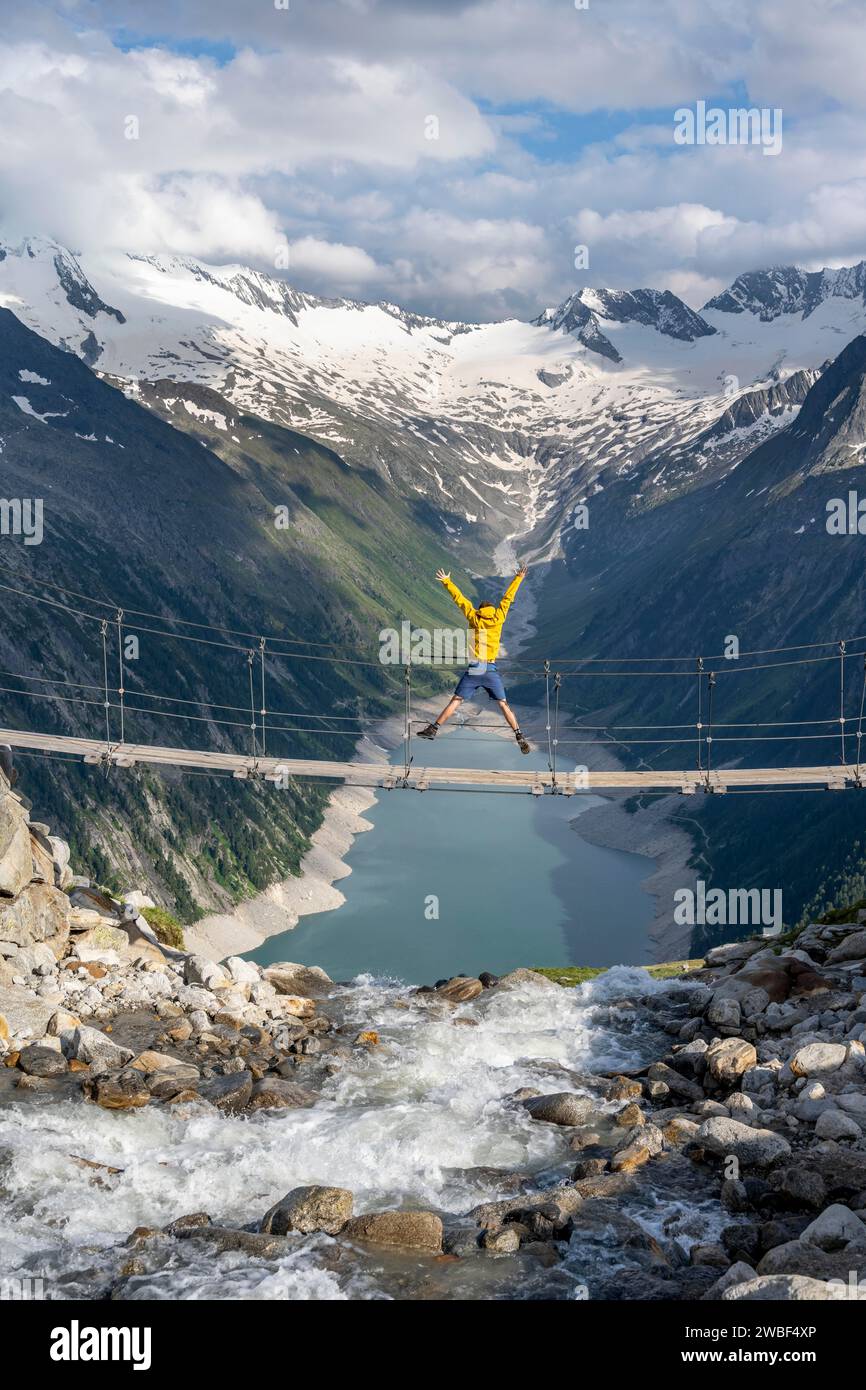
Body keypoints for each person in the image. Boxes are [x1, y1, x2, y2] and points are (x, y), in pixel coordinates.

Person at [417, 564, 531, 753]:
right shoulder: (499, 617)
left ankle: (433, 729)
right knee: (503, 705)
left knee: (456, 700)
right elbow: (508, 598)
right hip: (491, 668)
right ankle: (519, 735)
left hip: (475, 667)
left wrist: (447, 581)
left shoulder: (474, 617)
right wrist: (518, 578)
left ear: (479, 610)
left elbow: (459, 600)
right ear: (492, 610)